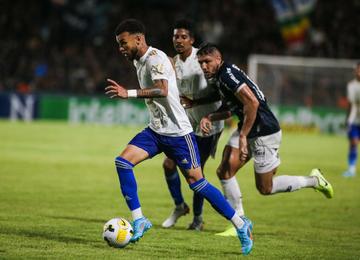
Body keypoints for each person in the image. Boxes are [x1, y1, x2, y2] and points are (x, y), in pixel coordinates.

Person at [105, 19, 253, 255]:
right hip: (156, 131)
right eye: (119, 44)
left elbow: (162, 90)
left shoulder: (156, 59)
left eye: (124, 43)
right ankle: (140, 219)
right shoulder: (139, 60)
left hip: (178, 134)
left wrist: (128, 93)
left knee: (198, 183)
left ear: (139, 39)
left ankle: (241, 223)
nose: (121, 48)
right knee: (122, 162)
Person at [195, 43, 334, 233]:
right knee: (225, 170)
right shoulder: (220, 76)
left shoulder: (227, 75)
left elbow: (251, 102)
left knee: (265, 188)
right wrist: (209, 116)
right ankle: (240, 223)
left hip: (264, 132)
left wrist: (243, 136)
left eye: (207, 62)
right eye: (201, 62)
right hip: (248, 127)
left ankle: (314, 181)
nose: (203, 66)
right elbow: (233, 108)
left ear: (218, 60)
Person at [161, 19, 246, 231]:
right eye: (175, 36)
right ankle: (180, 206)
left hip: (209, 125)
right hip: (185, 123)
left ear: (192, 40)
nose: (179, 40)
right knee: (169, 164)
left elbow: (220, 95)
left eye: (183, 37)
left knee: (196, 173)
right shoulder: (173, 62)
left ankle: (198, 219)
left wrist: (196, 103)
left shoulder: (202, 60)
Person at [343, 62, 360, 177]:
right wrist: (347, 119)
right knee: (353, 143)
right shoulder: (351, 85)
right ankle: (351, 168)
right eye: (358, 69)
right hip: (354, 120)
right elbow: (350, 104)